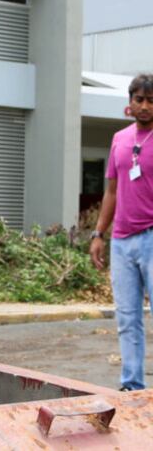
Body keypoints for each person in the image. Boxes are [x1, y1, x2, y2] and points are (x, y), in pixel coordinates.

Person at [90, 73, 153, 391]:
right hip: (122, 241)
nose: (144, 106)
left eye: (150, 100)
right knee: (127, 319)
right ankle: (132, 385)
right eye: (139, 99)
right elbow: (111, 192)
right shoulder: (120, 139)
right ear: (130, 102)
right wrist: (99, 234)